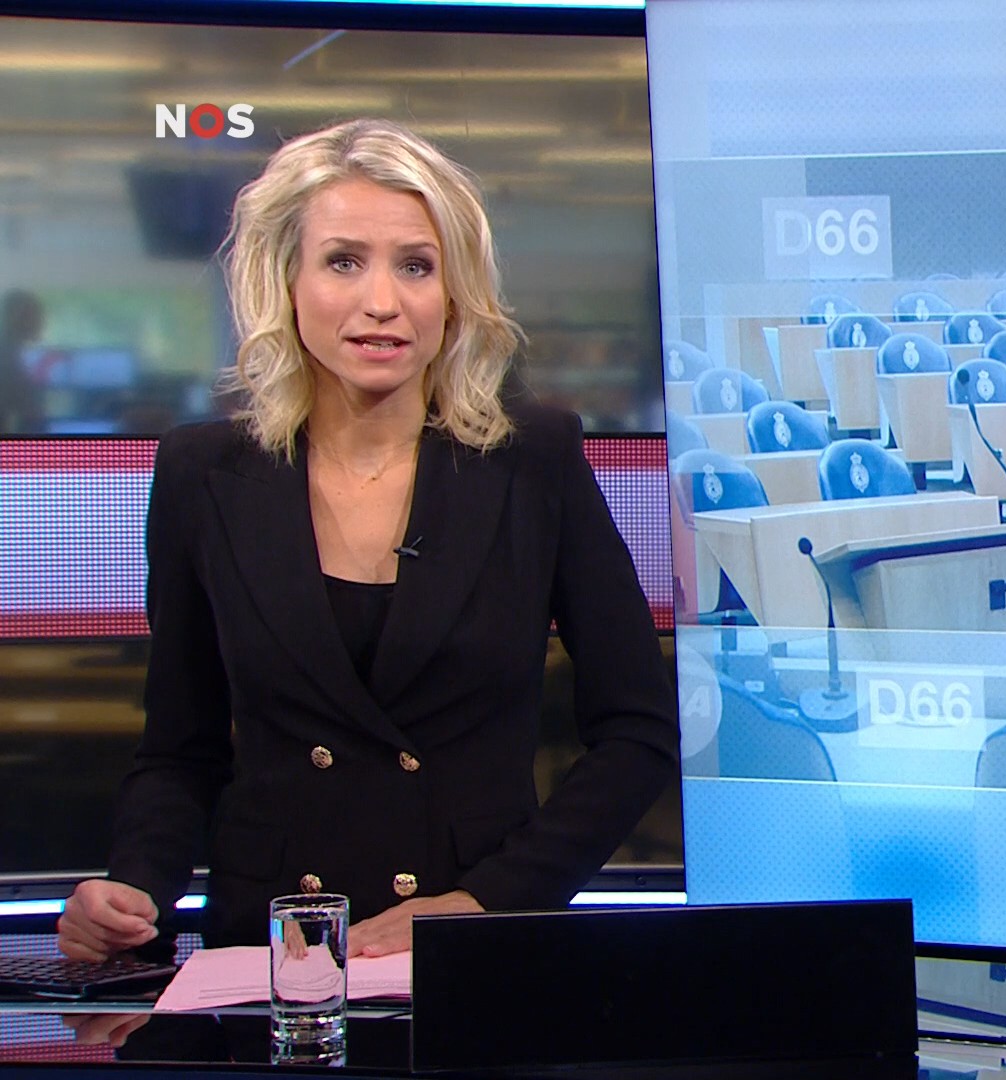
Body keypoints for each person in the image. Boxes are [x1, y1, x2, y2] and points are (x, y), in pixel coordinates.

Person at [56, 118, 677, 960]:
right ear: (286, 280)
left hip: (472, 945)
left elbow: (638, 730)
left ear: (453, 293)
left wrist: (488, 901)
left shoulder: (533, 460)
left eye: (416, 265)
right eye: (343, 261)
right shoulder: (203, 473)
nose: (382, 301)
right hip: (274, 953)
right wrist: (134, 885)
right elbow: (180, 750)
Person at [0, 288, 47, 433]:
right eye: (36, 316)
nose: (42, 322)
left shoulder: (10, 353)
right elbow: (31, 411)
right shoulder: (6, 359)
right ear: (18, 317)